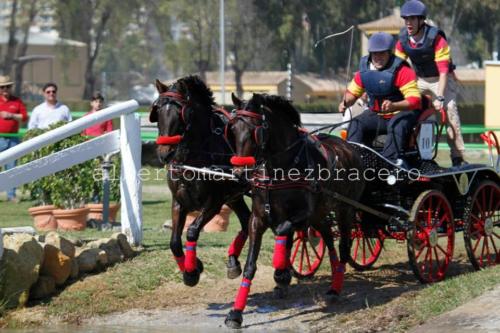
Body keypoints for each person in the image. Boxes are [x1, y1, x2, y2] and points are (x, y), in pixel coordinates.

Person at [395, 0, 466, 167]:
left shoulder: (437, 39)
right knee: (401, 104)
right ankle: (405, 152)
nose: (408, 23)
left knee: (450, 111)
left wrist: (440, 97)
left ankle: (458, 157)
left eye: (412, 19)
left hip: (441, 80)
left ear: (421, 20)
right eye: (406, 19)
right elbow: (397, 67)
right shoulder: (403, 39)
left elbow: (443, 71)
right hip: (419, 80)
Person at [339, 32, 421, 166]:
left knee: (396, 124)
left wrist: (395, 106)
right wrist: (345, 102)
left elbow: (415, 100)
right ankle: (355, 161)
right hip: (377, 115)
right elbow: (352, 93)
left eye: (382, 53)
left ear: (390, 53)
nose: (378, 57)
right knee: (356, 123)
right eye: (374, 53)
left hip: (402, 114)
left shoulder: (403, 71)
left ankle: (388, 163)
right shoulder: (364, 71)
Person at [0, 75, 28, 202]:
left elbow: (24, 117)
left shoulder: (17, 101)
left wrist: (11, 115)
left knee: (12, 167)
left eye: (8, 86)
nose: (5, 89)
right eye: (2, 87)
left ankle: (11, 195)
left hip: (13, 139)